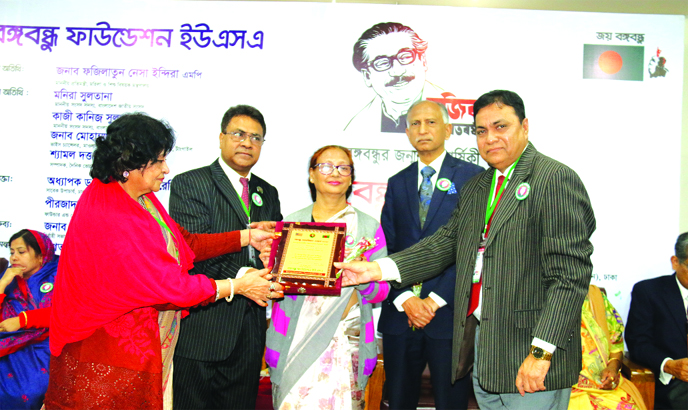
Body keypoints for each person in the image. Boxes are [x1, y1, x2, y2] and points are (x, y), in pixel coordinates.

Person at [337, 90, 596, 410]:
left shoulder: (553, 178)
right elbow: (444, 244)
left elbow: (570, 277)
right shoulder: (480, 186)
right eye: (481, 131)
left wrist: (541, 353)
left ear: (525, 127)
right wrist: (378, 269)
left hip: (531, 360)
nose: (490, 138)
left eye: (501, 127)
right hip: (486, 358)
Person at [43, 113, 280, 409]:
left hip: (142, 347)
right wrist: (237, 286)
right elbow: (171, 287)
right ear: (129, 163)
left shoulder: (140, 198)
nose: (166, 169)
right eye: (158, 161)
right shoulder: (112, 212)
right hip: (106, 354)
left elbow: (186, 244)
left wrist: (246, 237)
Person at [170, 104, 282, 409]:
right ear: (221, 138)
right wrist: (245, 276)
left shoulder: (267, 192)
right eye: (239, 134)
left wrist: (275, 264)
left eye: (256, 138)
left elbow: (276, 252)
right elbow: (191, 252)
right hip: (204, 328)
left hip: (249, 332)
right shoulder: (191, 183)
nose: (247, 143)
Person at [266, 145, 389, 409]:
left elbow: (382, 291)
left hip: (348, 339)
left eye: (344, 167)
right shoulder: (291, 223)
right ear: (311, 175)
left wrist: (361, 278)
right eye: (325, 166)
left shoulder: (368, 226)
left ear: (351, 177)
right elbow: (274, 285)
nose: (335, 172)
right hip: (295, 339)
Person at [378, 100, 483, 409]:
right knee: (398, 400)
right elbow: (389, 247)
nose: (422, 129)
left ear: (448, 129)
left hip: (448, 315)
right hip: (401, 313)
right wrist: (405, 298)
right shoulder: (398, 182)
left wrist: (433, 301)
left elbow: (473, 249)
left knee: (451, 402)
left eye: (431, 122)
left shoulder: (474, 178)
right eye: (415, 124)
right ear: (408, 131)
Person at [626, 232, 688, 409]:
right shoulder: (649, 292)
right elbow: (638, 343)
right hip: (673, 384)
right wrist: (668, 365)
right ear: (675, 262)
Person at [345, 22, 444, 133]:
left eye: (405, 57)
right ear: (367, 76)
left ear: (424, 61)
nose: (397, 71)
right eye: (382, 63)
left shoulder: (455, 113)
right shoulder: (356, 127)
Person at [0, 230, 58, 409]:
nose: (14, 257)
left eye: (21, 251)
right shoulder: (9, 278)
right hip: (6, 345)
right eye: (11, 252)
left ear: (41, 256)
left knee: (26, 392)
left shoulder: (60, 276)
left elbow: (64, 313)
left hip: (44, 346)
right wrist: (2, 284)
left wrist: (22, 320)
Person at [569, 285, 646, 410]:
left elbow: (615, 346)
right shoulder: (534, 297)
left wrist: (612, 368)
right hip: (554, 389)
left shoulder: (595, 297)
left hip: (602, 387)